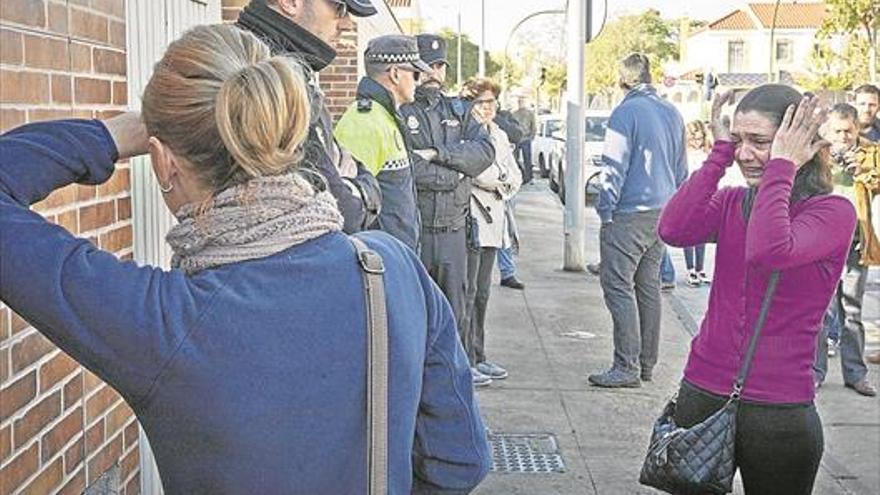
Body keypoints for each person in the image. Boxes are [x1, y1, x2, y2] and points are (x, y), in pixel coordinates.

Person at [0, 25, 491, 493]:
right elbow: (460, 459)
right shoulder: (391, 267)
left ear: (163, 161)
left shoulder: (162, 323)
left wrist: (116, 134)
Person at [658, 85, 856, 494]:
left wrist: (782, 164)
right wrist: (718, 153)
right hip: (702, 392)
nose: (743, 154)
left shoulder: (832, 212)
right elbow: (673, 229)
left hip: (778, 411)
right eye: (738, 140)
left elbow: (770, 250)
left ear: (800, 145)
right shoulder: (734, 202)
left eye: (759, 142)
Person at [236, 0, 383, 234]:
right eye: (340, 9)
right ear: (289, 2)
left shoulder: (291, 68)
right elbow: (342, 210)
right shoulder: (264, 78)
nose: (346, 24)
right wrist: (361, 191)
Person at [399, 34, 495, 386]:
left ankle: (451, 385)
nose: (434, 72)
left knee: (456, 314)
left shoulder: (459, 110)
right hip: (418, 231)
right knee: (414, 315)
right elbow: (409, 168)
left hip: (454, 231)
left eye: (440, 66)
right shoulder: (401, 111)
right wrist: (454, 173)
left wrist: (440, 154)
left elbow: (484, 154)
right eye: (427, 65)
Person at [588, 53, 688, 388]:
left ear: (623, 79)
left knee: (617, 285)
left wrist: (605, 211)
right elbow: (682, 170)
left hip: (629, 213)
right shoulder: (672, 112)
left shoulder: (626, 111)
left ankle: (626, 366)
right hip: (662, 212)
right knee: (648, 288)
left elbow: (613, 167)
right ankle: (646, 364)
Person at [334, 35, 428, 250]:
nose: (418, 80)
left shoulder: (385, 117)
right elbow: (349, 205)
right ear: (395, 74)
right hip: (380, 262)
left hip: (393, 256)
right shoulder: (365, 121)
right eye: (415, 73)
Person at [813, 103, 880, 396]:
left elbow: (877, 182)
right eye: (837, 131)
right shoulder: (816, 154)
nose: (843, 137)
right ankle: (815, 372)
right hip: (823, 244)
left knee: (852, 311)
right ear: (827, 130)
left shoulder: (870, 153)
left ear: (857, 129)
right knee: (821, 313)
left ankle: (856, 374)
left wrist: (862, 173)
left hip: (856, 241)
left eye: (848, 131)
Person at [460, 77, 522, 386]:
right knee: (468, 293)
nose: (489, 108)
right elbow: (477, 170)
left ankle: (480, 355)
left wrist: (503, 182)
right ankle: (467, 358)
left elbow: (514, 173)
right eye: (483, 103)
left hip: (495, 222)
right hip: (473, 219)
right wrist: (498, 180)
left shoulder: (497, 133)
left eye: (492, 102)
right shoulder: (465, 131)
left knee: (483, 294)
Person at [683, 119, 712, 287]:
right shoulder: (684, 155)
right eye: (693, 138)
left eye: (699, 138)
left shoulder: (707, 154)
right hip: (688, 198)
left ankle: (700, 269)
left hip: (704, 198)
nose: (696, 142)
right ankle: (690, 269)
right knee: (688, 235)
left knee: (701, 235)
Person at [512, 96, 536, 185]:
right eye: (519, 102)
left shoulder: (530, 113)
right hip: (517, 139)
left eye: (521, 102)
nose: (520, 103)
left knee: (527, 159)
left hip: (526, 138)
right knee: (515, 159)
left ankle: (530, 177)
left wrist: (531, 137)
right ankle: (518, 176)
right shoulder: (514, 114)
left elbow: (533, 126)